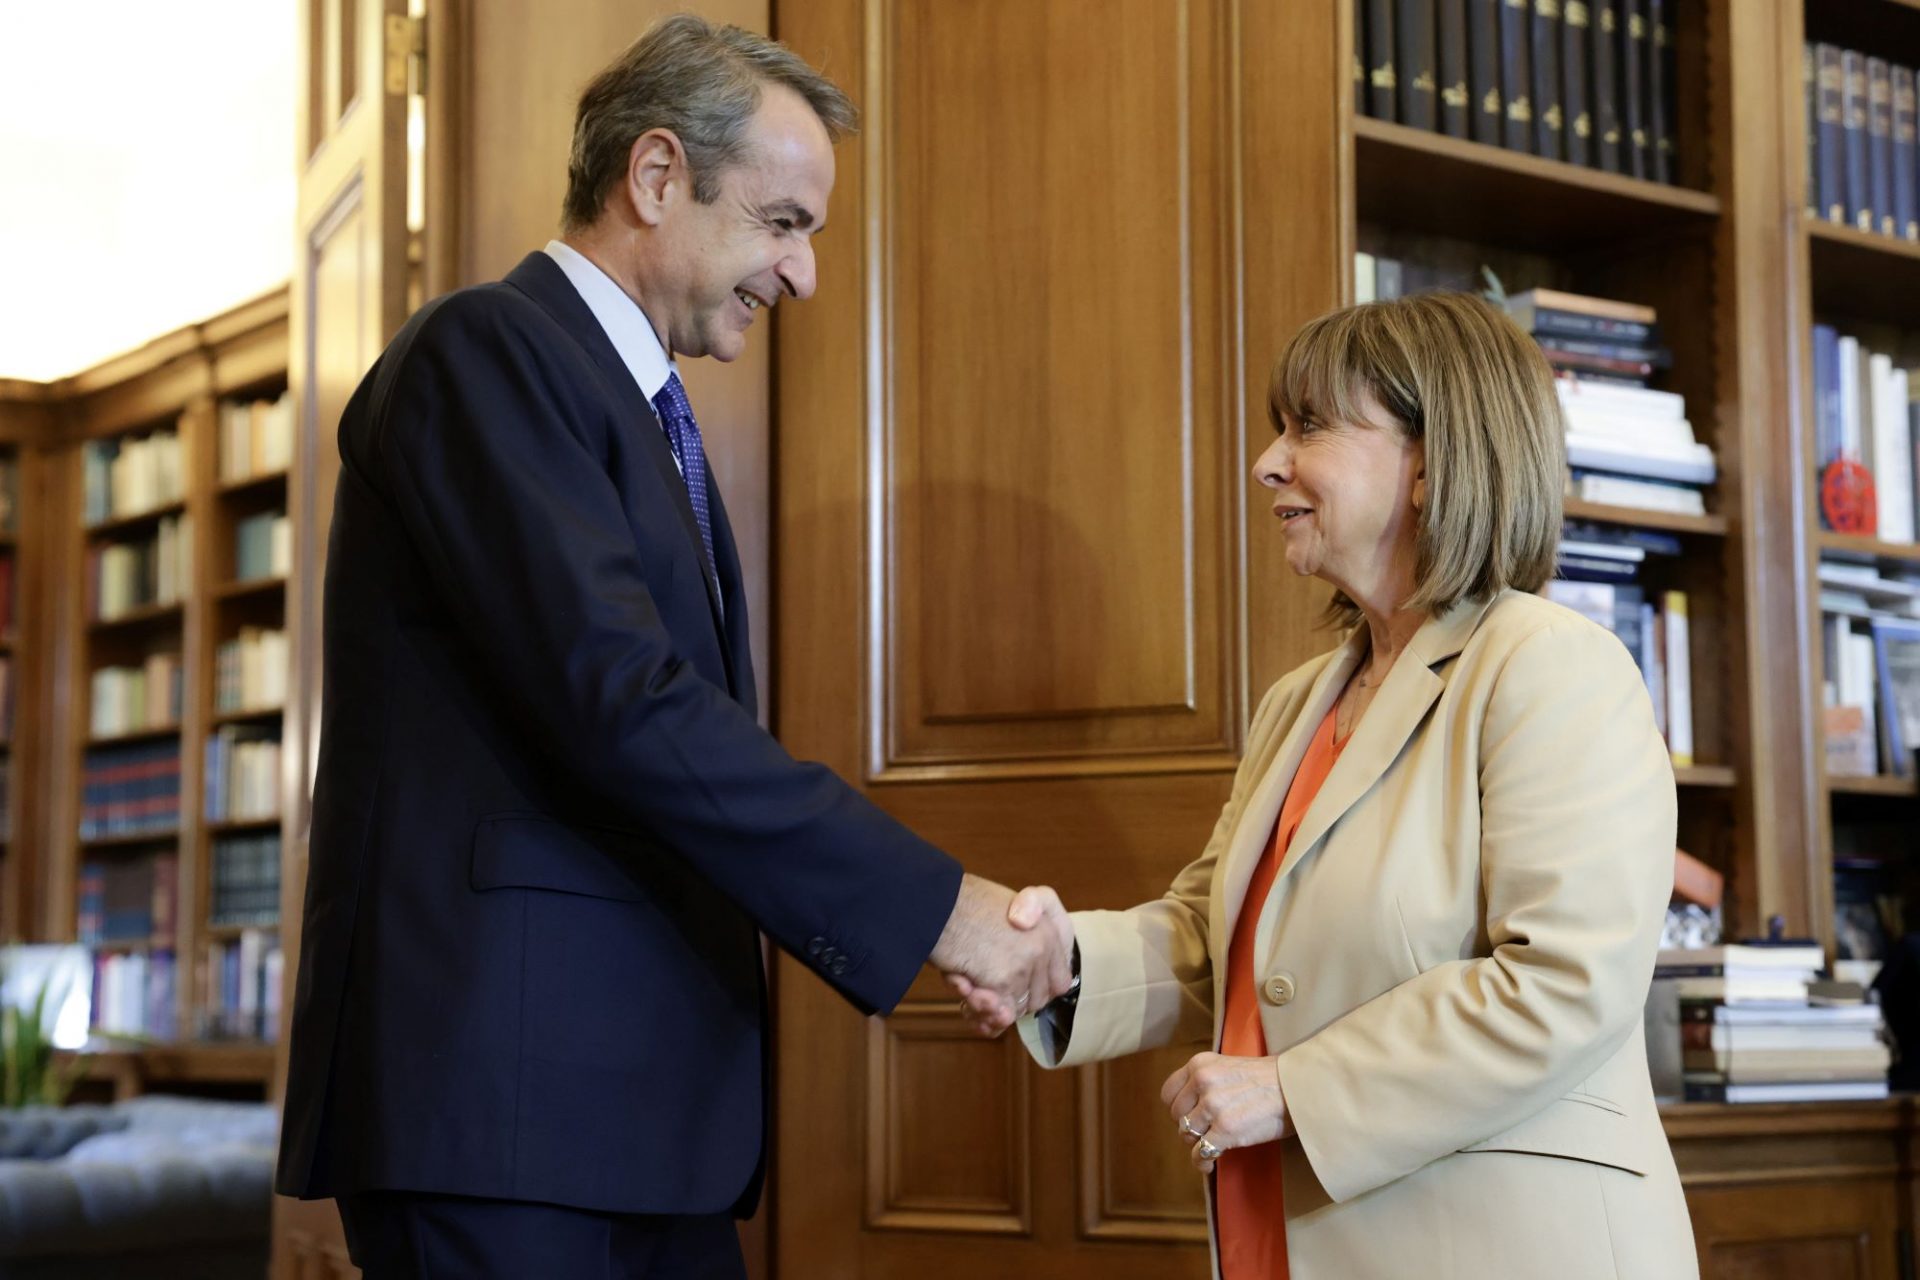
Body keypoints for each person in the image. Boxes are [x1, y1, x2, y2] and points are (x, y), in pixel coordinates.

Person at [274, 17, 1069, 1278]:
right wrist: (942, 910)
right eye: (783, 221)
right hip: (505, 1118)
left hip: (633, 1128)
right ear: (655, 175)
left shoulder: (637, 406)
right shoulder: (487, 351)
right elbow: (626, 703)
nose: (803, 273)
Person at [958, 292, 1698, 1278]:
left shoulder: (1552, 663)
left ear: (1431, 463)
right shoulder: (1299, 701)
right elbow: (1217, 936)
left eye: (1308, 426)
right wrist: (1063, 963)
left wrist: (1292, 1090)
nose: (1268, 462)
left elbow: (1565, 983)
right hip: (1287, 1227)